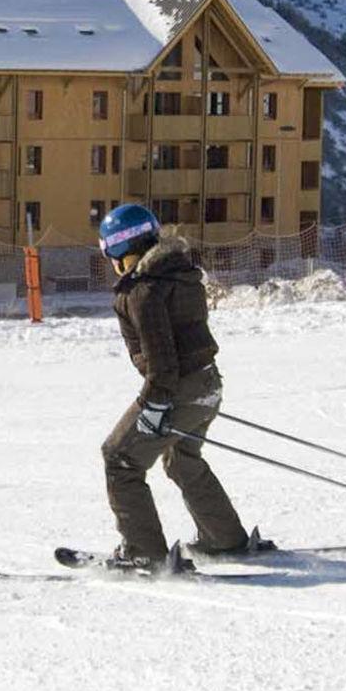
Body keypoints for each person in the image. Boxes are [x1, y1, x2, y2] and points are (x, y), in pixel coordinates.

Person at [97, 203, 249, 570]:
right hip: (208, 384)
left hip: (176, 389)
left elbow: (162, 361)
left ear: (120, 249)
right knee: (182, 458)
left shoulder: (143, 292)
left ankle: (144, 553)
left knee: (119, 457)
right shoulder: (181, 274)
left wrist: (155, 406)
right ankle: (224, 539)